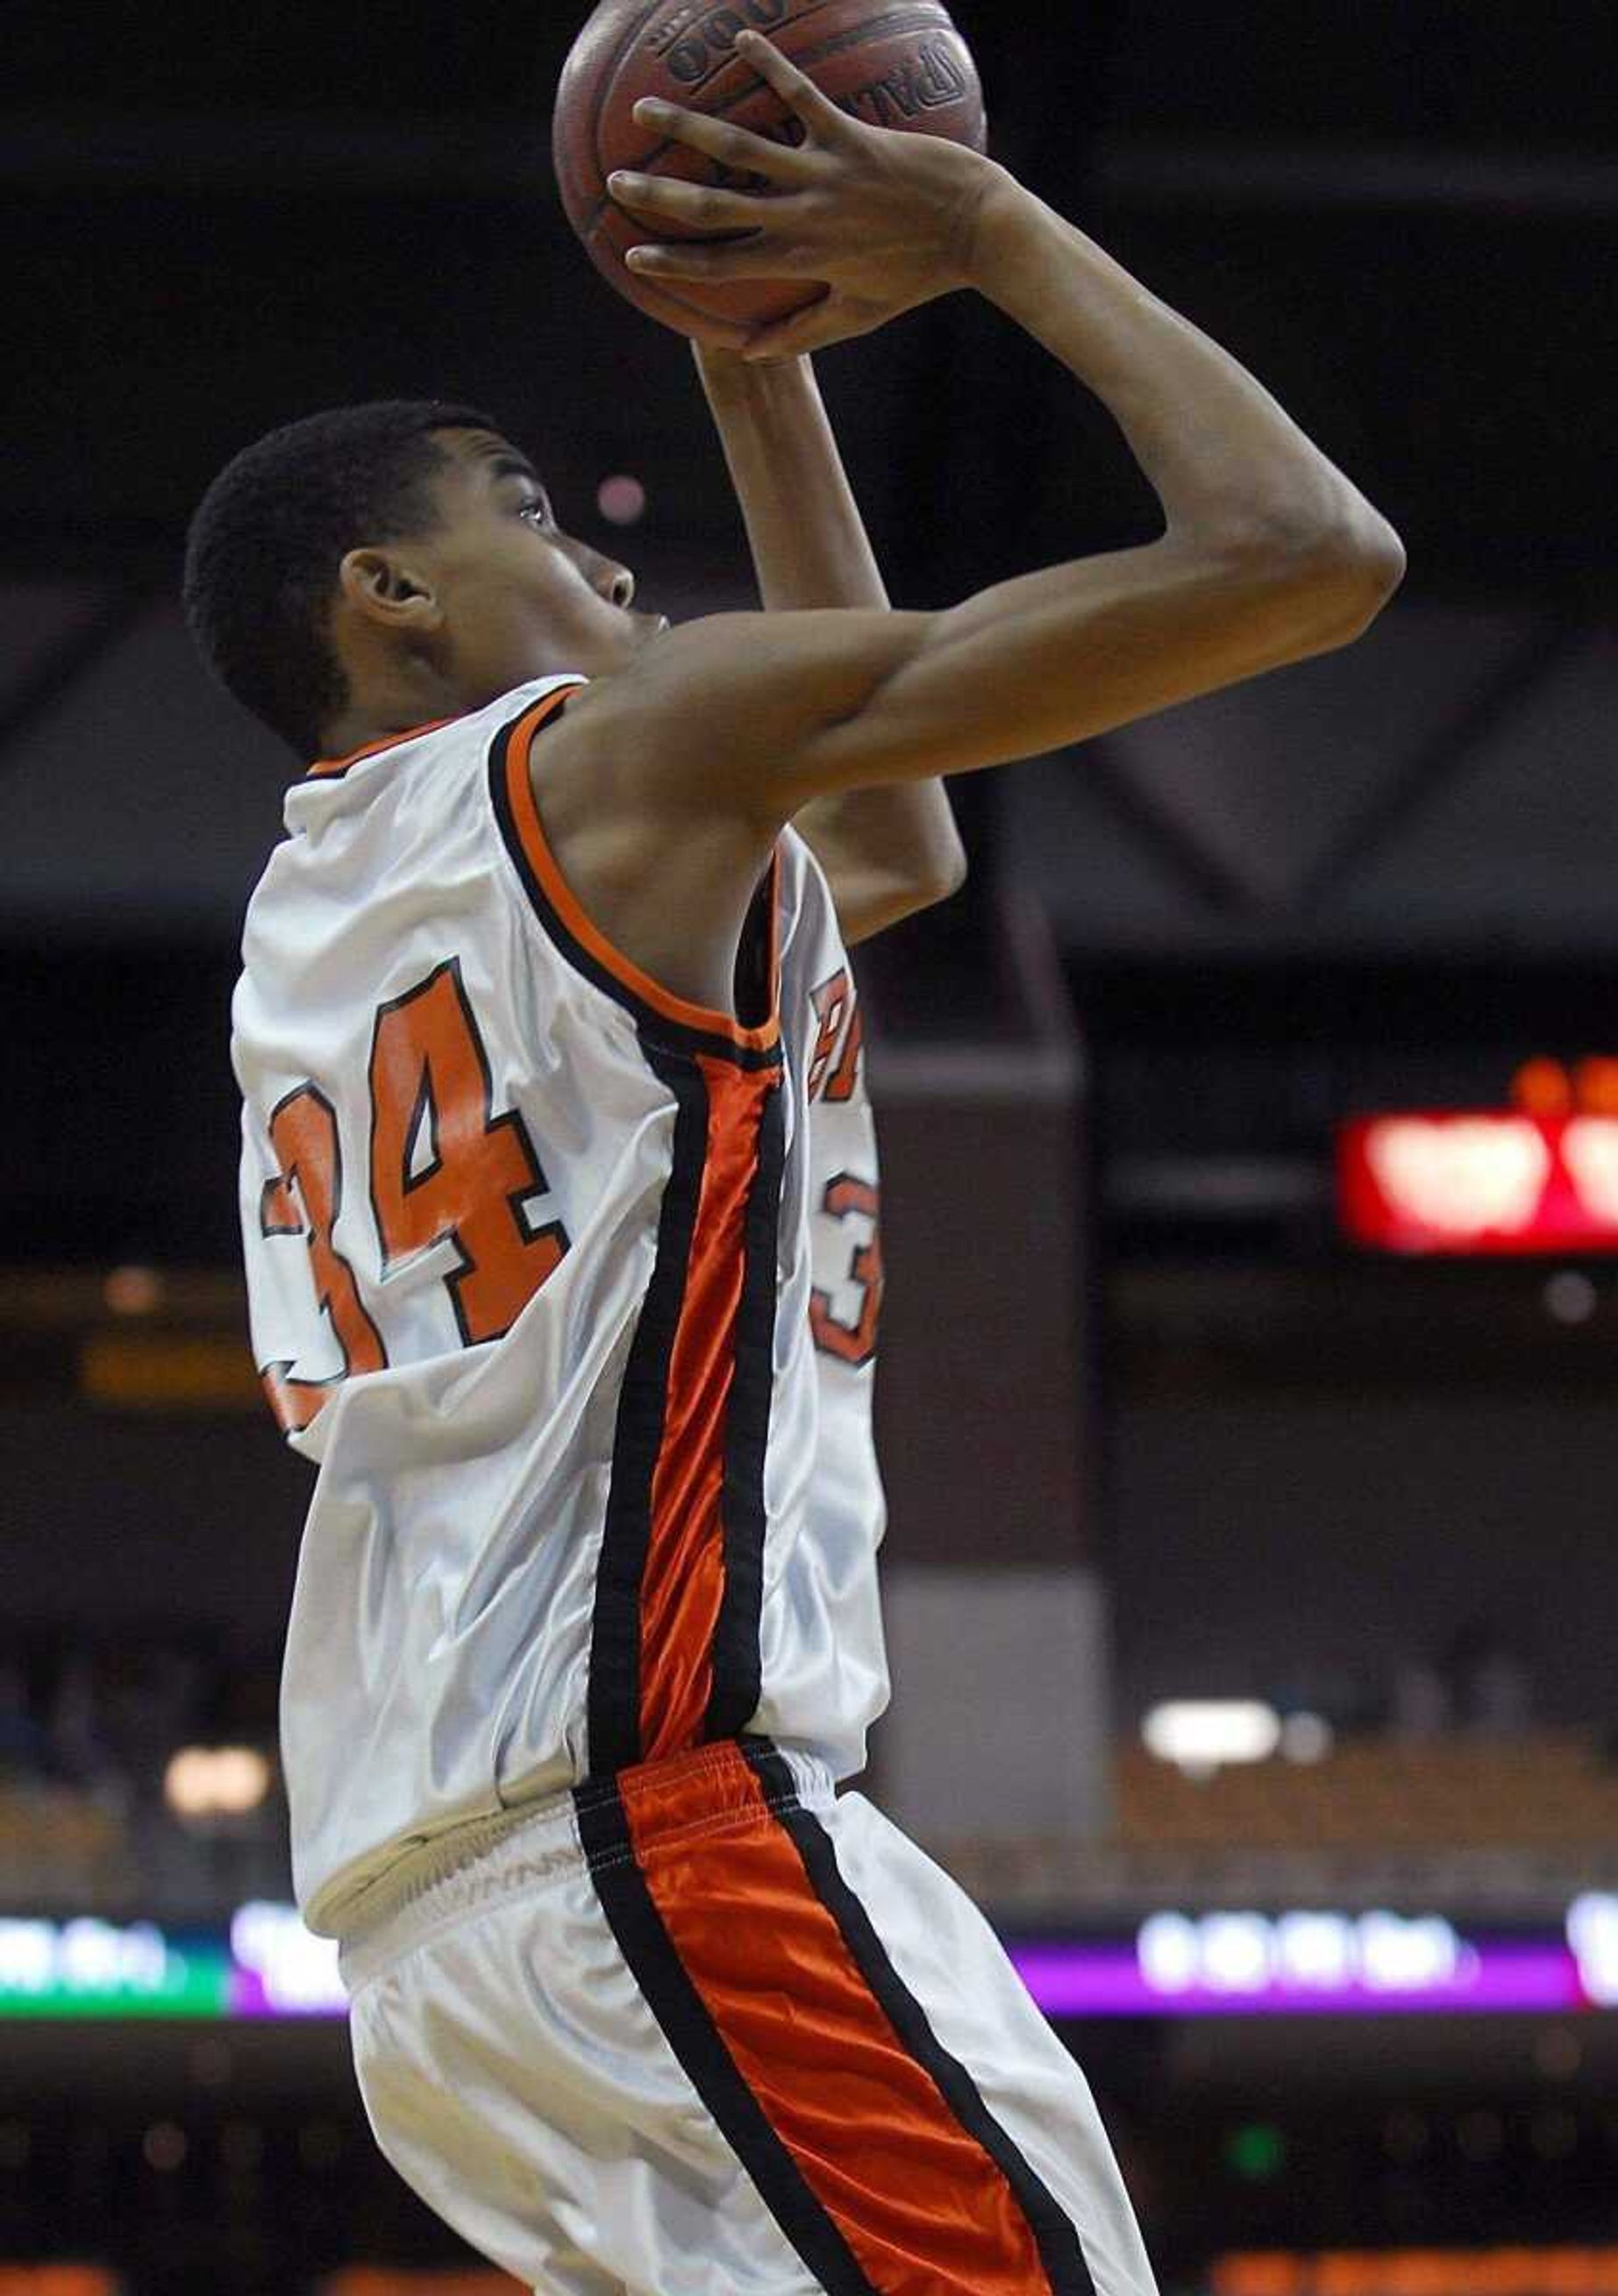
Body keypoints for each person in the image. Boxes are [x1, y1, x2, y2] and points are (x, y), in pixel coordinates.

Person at [187, 29, 1402, 2296]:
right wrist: (985, 231)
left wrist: (759, 367)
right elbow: (1307, 552)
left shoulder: (307, 923)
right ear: (393, 598)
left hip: (442, 1953)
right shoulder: (614, 761)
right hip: (662, 1846)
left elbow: (891, 852)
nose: (598, 555)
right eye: (527, 511)